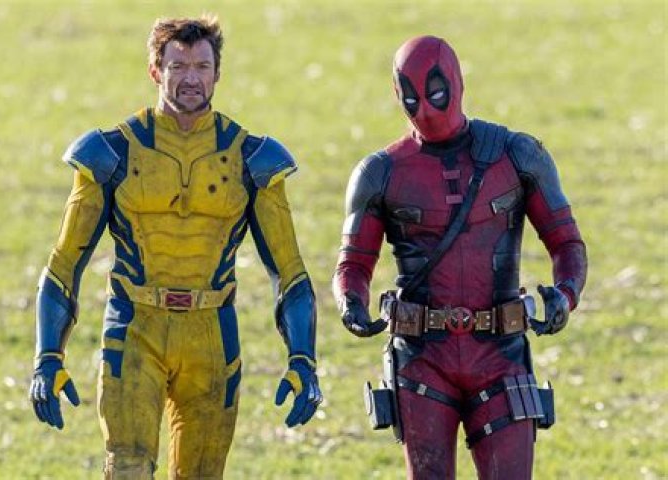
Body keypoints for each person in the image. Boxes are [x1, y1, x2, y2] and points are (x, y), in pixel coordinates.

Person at [29, 15, 321, 479]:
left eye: (202, 66)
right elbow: (64, 263)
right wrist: (48, 356)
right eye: (178, 66)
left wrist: (302, 358)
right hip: (134, 330)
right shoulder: (112, 152)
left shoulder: (251, 158)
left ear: (217, 73)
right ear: (155, 70)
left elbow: (290, 272)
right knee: (127, 468)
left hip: (212, 337)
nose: (191, 78)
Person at [332, 36, 587, 479]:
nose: (425, 110)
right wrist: (350, 302)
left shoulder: (517, 155)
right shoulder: (379, 172)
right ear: (396, 95)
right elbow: (352, 265)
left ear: (457, 82)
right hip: (422, 360)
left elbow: (567, 244)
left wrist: (564, 297)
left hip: (501, 356)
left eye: (435, 94)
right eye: (411, 98)